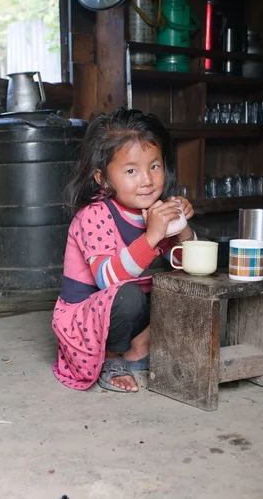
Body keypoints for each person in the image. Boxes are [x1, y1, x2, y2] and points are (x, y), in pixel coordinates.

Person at [51, 108, 195, 393]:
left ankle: (138, 349)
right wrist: (152, 235)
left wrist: (183, 230)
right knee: (128, 295)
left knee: (181, 288)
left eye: (154, 166)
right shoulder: (93, 215)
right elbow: (107, 280)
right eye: (131, 170)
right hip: (86, 318)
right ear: (103, 179)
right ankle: (111, 358)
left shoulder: (154, 210)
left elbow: (184, 264)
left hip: (127, 306)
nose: (147, 180)